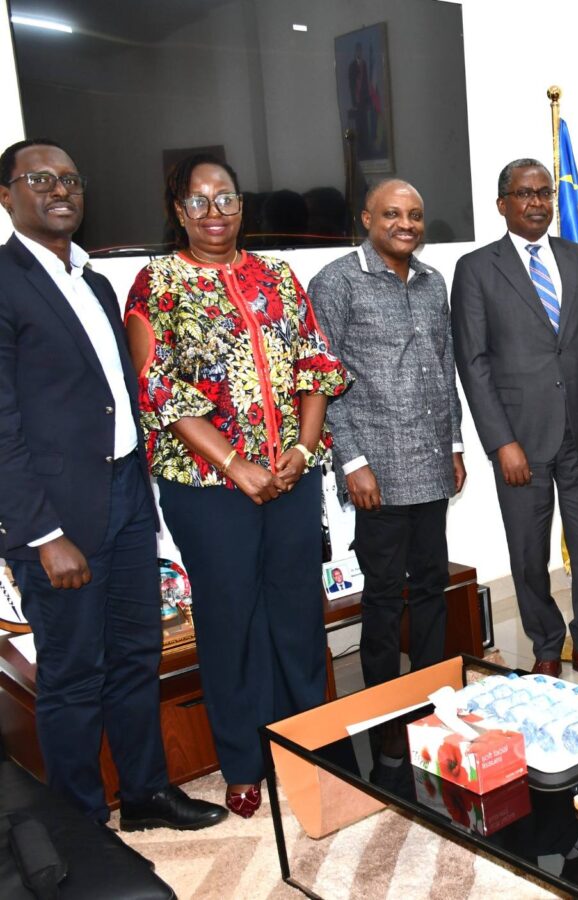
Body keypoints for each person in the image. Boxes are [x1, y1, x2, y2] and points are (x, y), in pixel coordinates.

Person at [0, 138, 225, 829]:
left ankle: (146, 795)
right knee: (73, 676)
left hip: (126, 499)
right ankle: (81, 827)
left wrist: (141, 500)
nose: (60, 190)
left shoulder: (95, 283)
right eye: (41, 179)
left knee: (136, 657)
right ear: (6, 196)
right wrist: (42, 534)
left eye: (71, 179)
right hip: (58, 520)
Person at [125, 154, 350, 816]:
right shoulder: (157, 284)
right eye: (198, 201)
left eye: (225, 198)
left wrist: (302, 450)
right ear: (179, 211)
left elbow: (315, 364)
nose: (214, 212)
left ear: (242, 205)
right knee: (232, 624)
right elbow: (159, 388)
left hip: (292, 478)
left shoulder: (276, 275)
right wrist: (234, 464)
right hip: (208, 488)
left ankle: (311, 746)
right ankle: (244, 762)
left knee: (298, 615)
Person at [451, 159, 578, 688]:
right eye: (524, 194)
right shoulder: (477, 268)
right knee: (528, 552)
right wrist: (501, 442)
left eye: (544, 193)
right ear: (502, 203)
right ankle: (546, 648)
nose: (537, 202)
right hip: (520, 440)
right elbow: (473, 362)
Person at [308, 179, 465, 689]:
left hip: (431, 460)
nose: (406, 224)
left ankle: (432, 686)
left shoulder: (432, 281)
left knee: (432, 583)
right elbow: (322, 380)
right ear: (367, 219)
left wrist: (454, 444)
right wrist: (352, 462)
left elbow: (444, 365)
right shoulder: (337, 282)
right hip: (376, 469)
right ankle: (383, 699)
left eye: (415, 215)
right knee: (382, 593)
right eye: (392, 214)